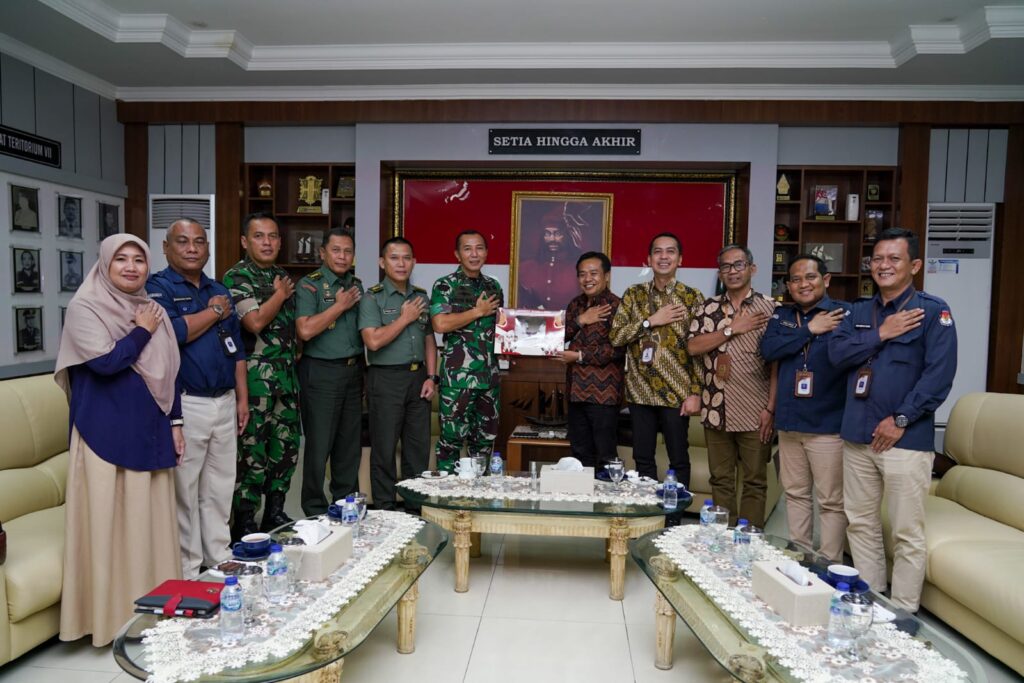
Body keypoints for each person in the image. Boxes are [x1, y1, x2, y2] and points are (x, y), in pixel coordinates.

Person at [54, 234, 183, 646]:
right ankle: (109, 621)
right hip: (104, 435)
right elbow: (107, 362)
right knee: (109, 528)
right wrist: (142, 331)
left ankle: (154, 615)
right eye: (121, 259)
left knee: (150, 527)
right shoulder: (86, 307)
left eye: (139, 260)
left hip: (149, 430)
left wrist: (176, 422)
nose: (131, 267)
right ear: (105, 265)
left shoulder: (152, 308)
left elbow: (170, 370)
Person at [828, 228, 957, 612]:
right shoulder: (857, 312)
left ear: (914, 265)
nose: (883, 265)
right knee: (861, 524)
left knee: (905, 532)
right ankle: (870, 604)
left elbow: (939, 376)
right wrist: (882, 333)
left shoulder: (932, 312)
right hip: (857, 435)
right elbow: (836, 356)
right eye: (878, 258)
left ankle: (902, 615)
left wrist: (900, 418)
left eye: (894, 258)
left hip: (905, 440)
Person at [147, 218, 248, 579]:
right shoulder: (157, 287)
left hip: (225, 400)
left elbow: (237, 349)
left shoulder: (217, 288)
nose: (192, 248)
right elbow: (173, 332)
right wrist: (215, 311)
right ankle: (188, 568)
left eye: (199, 242)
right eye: (183, 241)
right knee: (185, 489)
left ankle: (218, 556)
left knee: (220, 485)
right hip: (187, 403)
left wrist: (242, 398)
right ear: (166, 247)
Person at [759, 254, 850, 561]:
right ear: (788, 286)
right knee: (795, 494)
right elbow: (769, 350)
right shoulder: (782, 316)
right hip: (789, 422)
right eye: (796, 280)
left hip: (827, 425)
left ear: (826, 280)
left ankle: (828, 562)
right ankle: (799, 557)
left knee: (830, 500)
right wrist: (810, 330)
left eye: (810, 277)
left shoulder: (843, 314)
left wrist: (803, 334)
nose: (803, 284)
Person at [687, 245, 777, 527]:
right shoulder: (707, 308)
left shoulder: (770, 308)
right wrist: (731, 329)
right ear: (720, 273)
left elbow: (778, 364)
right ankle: (722, 537)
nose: (733, 271)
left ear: (752, 268)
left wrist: (771, 409)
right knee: (720, 478)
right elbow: (693, 347)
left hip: (756, 411)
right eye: (726, 266)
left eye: (739, 265)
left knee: (754, 480)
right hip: (716, 408)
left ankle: (749, 540)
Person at [223, 212, 299, 538]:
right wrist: (279, 295)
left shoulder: (282, 275)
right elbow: (253, 322)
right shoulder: (237, 277)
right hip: (255, 383)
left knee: (285, 447)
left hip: (286, 379)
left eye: (273, 236)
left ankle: (274, 512)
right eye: (259, 236)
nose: (267, 242)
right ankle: (245, 520)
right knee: (252, 451)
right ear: (245, 241)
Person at [609, 233, 703, 486]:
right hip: (640, 390)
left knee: (678, 458)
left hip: (677, 392)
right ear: (649, 259)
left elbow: (700, 348)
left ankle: (675, 509)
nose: (664, 257)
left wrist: (695, 392)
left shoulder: (692, 297)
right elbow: (616, 336)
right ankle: (647, 508)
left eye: (670, 251)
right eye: (658, 251)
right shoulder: (634, 294)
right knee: (643, 459)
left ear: (680, 259)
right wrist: (650, 321)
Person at [358, 237, 437, 510]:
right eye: (394, 258)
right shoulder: (372, 298)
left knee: (417, 449)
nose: (401, 263)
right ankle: (385, 509)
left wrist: (432, 377)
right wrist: (404, 318)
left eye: (406, 258)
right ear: (382, 262)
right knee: (384, 448)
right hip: (385, 378)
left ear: (414, 262)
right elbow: (373, 341)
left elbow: (429, 339)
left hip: (419, 379)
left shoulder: (421, 296)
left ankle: (415, 508)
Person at [295, 228, 365, 515]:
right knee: (319, 445)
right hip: (321, 372)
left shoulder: (356, 285)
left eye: (348, 251)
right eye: (336, 250)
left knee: (349, 446)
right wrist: (339, 306)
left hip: (353, 372)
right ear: (323, 253)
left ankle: (346, 506)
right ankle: (314, 510)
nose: (342, 256)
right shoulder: (309, 285)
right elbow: (305, 330)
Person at [430, 230, 503, 473]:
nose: (474, 254)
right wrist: (477, 311)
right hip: (458, 380)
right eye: (467, 249)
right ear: (457, 254)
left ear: (486, 252)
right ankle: (447, 495)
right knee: (450, 443)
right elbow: (440, 324)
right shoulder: (445, 285)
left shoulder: (493, 286)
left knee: (484, 443)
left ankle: (478, 492)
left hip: (489, 379)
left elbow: (500, 329)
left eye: (479, 248)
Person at [558, 251, 625, 471]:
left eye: (594, 273)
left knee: (606, 457)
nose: (588, 279)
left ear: (607, 276)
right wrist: (581, 320)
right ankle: (582, 494)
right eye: (582, 274)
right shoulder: (575, 304)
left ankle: (607, 494)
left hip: (603, 395)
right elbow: (558, 337)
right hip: (575, 392)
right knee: (579, 457)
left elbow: (618, 349)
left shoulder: (617, 306)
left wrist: (580, 356)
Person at [517, 204, 584, 310]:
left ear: (567, 236)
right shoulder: (525, 268)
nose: (552, 239)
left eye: (557, 233)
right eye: (547, 234)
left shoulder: (579, 268)